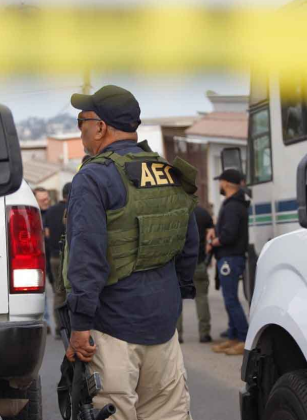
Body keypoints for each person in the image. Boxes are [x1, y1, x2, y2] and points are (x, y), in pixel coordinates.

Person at [63, 85, 199, 420]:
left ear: (100, 126)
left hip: (112, 331)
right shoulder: (169, 171)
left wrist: (79, 326)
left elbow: (86, 256)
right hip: (163, 327)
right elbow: (188, 243)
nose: (80, 130)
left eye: (82, 121)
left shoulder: (93, 177)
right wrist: (172, 299)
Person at [208, 169, 249, 356]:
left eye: (220, 182)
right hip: (230, 257)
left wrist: (212, 243)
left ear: (225, 183)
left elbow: (229, 234)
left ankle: (244, 338)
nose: (219, 185)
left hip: (230, 257)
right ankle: (233, 336)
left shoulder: (233, 206)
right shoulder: (234, 203)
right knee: (229, 299)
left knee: (231, 299)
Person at [177, 204, 213, 343]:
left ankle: (177, 334)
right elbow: (211, 236)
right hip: (198, 262)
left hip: (179, 265)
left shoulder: (176, 209)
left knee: (176, 300)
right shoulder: (203, 213)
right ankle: (204, 333)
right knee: (202, 298)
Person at [44, 182, 71, 338]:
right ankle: (74, 327)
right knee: (73, 291)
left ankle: (60, 329)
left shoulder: (50, 212)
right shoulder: (74, 209)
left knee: (58, 293)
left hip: (54, 257)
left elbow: (46, 236)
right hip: (70, 257)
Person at [33, 187, 53, 333]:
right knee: (42, 292)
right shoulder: (34, 215)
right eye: (43, 199)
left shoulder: (51, 213)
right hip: (38, 258)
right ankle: (44, 320)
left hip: (52, 256)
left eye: (47, 198)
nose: (46, 201)